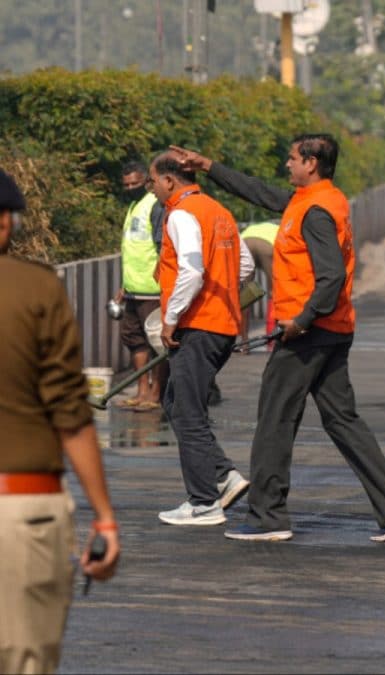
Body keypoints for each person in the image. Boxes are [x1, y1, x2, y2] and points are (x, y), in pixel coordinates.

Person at [169, 134, 385, 543]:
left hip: (309, 333)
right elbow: (260, 192)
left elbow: (332, 277)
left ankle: (268, 517)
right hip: (332, 330)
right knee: (342, 419)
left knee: (274, 419)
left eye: (291, 159)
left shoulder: (316, 211)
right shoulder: (313, 199)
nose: (286, 165)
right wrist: (209, 167)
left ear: (310, 163)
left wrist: (302, 319)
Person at [0, 168, 120, 673]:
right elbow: (70, 413)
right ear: (6, 223)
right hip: (21, 512)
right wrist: (105, 518)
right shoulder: (34, 289)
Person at [149, 153, 256, 526]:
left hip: (197, 326)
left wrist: (171, 318)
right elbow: (244, 266)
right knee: (176, 401)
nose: (154, 189)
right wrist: (220, 289)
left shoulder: (180, 213)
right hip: (222, 324)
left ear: (169, 181)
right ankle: (223, 476)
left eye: (153, 182)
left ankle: (204, 503)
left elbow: (192, 270)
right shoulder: (217, 210)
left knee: (189, 413)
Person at [114, 160, 168, 412]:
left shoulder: (155, 206)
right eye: (126, 185)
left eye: (135, 183)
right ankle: (141, 391)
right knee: (134, 340)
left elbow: (161, 249)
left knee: (157, 344)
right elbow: (133, 251)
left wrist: (165, 283)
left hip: (154, 289)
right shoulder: (133, 207)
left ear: (146, 181)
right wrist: (124, 286)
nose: (130, 188)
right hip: (133, 290)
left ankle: (155, 394)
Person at [237, 220, 279, 348]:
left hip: (245, 242)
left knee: (245, 295)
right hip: (267, 246)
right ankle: (273, 340)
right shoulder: (279, 229)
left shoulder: (253, 227)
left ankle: (244, 343)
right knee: (276, 293)